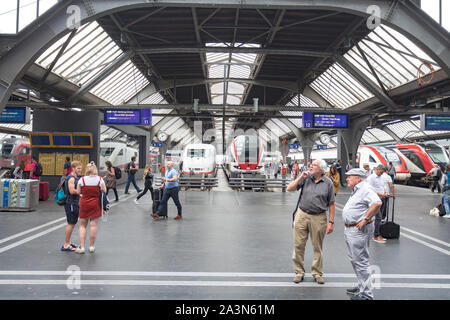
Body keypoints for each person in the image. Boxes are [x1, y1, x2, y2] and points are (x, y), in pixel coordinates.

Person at [287, 159, 335, 285]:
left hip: (319, 217)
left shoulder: (328, 183)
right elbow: (289, 188)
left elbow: (332, 204)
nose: (311, 166)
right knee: (298, 245)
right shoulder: (306, 178)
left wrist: (331, 222)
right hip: (302, 214)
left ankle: (317, 273)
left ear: (321, 169)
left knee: (317, 246)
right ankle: (299, 272)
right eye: (312, 164)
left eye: (314, 165)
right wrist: (299, 178)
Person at [342, 168, 382, 300]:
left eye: (350, 176)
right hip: (351, 229)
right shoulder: (357, 190)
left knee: (361, 262)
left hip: (358, 230)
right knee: (355, 260)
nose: (347, 178)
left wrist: (365, 219)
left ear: (358, 178)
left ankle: (366, 295)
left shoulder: (365, 189)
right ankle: (361, 287)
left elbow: (377, 203)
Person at [75, 162, 107, 254]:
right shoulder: (100, 179)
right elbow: (104, 191)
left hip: (84, 203)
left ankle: (82, 247)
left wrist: (82, 194)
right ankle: (92, 246)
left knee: (82, 226)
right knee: (93, 225)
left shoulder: (82, 180)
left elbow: (78, 192)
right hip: (95, 204)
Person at [366, 165, 396, 244]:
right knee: (378, 217)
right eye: (381, 172)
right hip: (374, 201)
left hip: (381, 199)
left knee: (379, 217)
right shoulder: (371, 178)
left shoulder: (381, 177)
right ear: (377, 169)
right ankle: (375, 235)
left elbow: (382, 187)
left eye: (383, 172)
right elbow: (369, 190)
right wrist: (381, 194)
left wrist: (385, 193)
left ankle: (376, 234)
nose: (382, 174)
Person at [61, 161, 82, 252]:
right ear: (73, 168)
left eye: (81, 168)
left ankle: (68, 242)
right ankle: (66, 244)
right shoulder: (71, 178)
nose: (80, 170)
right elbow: (72, 191)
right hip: (71, 203)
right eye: (78, 168)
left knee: (73, 222)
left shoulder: (75, 177)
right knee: (70, 223)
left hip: (74, 202)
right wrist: (80, 192)